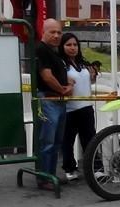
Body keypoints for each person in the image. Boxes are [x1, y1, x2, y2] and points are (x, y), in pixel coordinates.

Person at [35, 19, 72, 189]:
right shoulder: (42, 50)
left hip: (56, 100)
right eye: (52, 32)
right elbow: (46, 76)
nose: (57, 35)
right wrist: (62, 89)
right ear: (44, 32)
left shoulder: (53, 52)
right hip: (49, 99)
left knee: (56, 141)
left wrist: (66, 82)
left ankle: (50, 175)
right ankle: (44, 178)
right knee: (48, 141)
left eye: (59, 32)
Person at [59, 33, 96, 182]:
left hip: (86, 107)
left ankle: (94, 168)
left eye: (75, 45)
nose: (72, 48)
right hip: (69, 109)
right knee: (68, 141)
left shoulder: (82, 63)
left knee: (90, 139)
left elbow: (86, 83)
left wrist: (93, 75)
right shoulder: (61, 64)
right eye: (68, 45)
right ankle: (70, 168)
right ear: (62, 47)